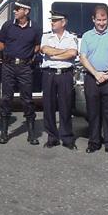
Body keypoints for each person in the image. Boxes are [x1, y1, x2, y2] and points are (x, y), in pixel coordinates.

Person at [0, 0, 42, 145]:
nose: (15, 11)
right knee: (6, 98)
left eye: (18, 9)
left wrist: (26, 56)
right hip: (9, 66)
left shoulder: (35, 28)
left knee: (27, 99)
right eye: (15, 9)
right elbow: (0, 44)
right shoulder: (8, 25)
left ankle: (31, 134)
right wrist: (11, 54)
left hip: (25, 67)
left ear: (26, 11)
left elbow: (37, 46)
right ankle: (4, 132)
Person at [80, 5, 108, 156]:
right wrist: (96, 73)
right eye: (98, 20)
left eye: (104, 19)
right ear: (93, 19)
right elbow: (83, 57)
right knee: (93, 112)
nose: (101, 23)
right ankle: (94, 142)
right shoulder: (87, 36)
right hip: (92, 78)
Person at [40, 11, 78, 150]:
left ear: (63, 22)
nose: (52, 22)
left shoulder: (71, 36)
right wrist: (63, 52)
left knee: (66, 106)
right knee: (48, 106)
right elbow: (45, 50)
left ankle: (67, 137)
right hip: (49, 73)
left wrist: (55, 53)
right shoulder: (46, 36)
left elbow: (73, 53)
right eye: (52, 20)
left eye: (55, 20)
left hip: (65, 74)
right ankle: (52, 137)